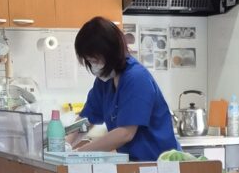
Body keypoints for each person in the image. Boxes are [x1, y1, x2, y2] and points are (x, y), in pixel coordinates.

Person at [68, 17, 180, 162]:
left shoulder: (136, 78)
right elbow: (86, 120)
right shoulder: (105, 81)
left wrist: (80, 153)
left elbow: (125, 133)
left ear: (110, 53)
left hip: (159, 163)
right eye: (89, 61)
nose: (93, 66)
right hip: (134, 164)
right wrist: (65, 144)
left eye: (94, 60)